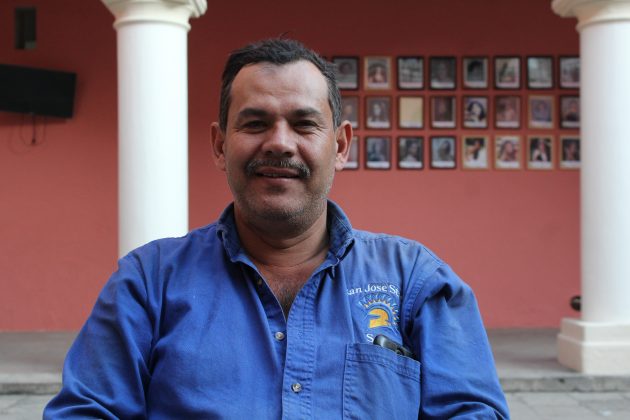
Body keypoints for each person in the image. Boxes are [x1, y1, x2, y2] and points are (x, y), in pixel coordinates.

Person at [44, 39, 509, 419]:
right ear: (220, 145)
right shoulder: (148, 281)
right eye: (256, 123)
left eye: (304, 124)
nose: (279, 143)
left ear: (341, 145)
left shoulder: (416, 282)